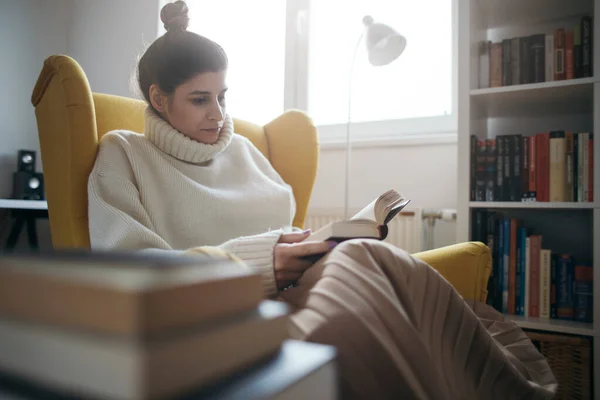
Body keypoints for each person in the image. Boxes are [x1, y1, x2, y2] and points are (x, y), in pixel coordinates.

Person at [88, 2, 557, 399]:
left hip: (292, 291)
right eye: (199, 99)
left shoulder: (245, 151)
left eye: (223, 96)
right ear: (159, 97)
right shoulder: (124, 153)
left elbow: (286, 232)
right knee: (366, 279)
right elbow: (130, 273)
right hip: (222, 318)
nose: (218, 114)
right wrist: (262, 264)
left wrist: (313, 246)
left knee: (366, 254)